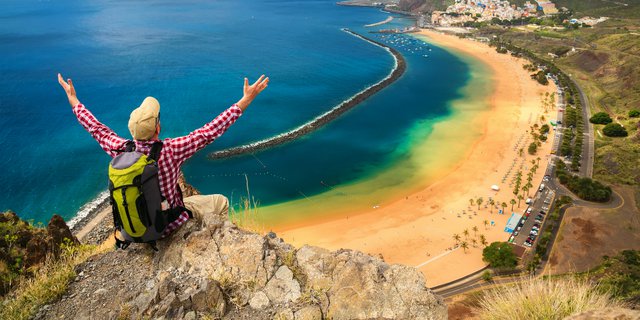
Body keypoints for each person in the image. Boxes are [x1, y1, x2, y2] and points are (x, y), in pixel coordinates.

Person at [57, 73, 269, 236]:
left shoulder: (121, 149)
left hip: (136, 228)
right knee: (221, 202)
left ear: (132, 131)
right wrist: (246, 99)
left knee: (191, 198)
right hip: (169, 225)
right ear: (158, 128)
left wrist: (73, 99)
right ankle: (213, 238)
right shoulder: (171, 149)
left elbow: (96, 129)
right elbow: (210, 131)